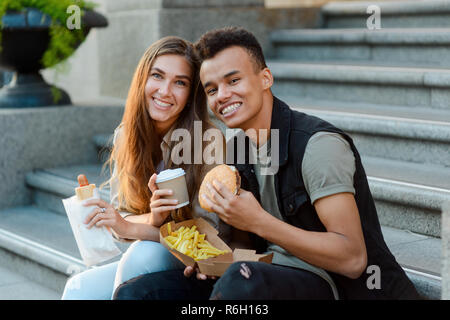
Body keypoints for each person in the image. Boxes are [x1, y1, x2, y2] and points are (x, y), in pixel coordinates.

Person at [113, 27, 421, 300]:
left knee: (241, 282)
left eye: (233, 80)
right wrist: (212, 259)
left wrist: (258, 221)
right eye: (212, 89)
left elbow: (353, 260)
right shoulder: (238, 152)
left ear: (265, 78)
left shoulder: (317, 146)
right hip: (262, 271)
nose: (223, 95)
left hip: (332, 285)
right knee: (139, 292)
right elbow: (244, 246)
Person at [61, 36, 225, 299]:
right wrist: (150, 220)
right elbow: (123, 216)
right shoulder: (126, 136)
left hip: (195, 264)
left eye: (180, 82)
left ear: (191, 93)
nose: (165, 91)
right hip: (150, 247)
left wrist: (132, 227)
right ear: (142, 80)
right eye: (157, 76)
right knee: (78, 289)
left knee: (141, 257)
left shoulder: (208, 140)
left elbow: (205, 236)